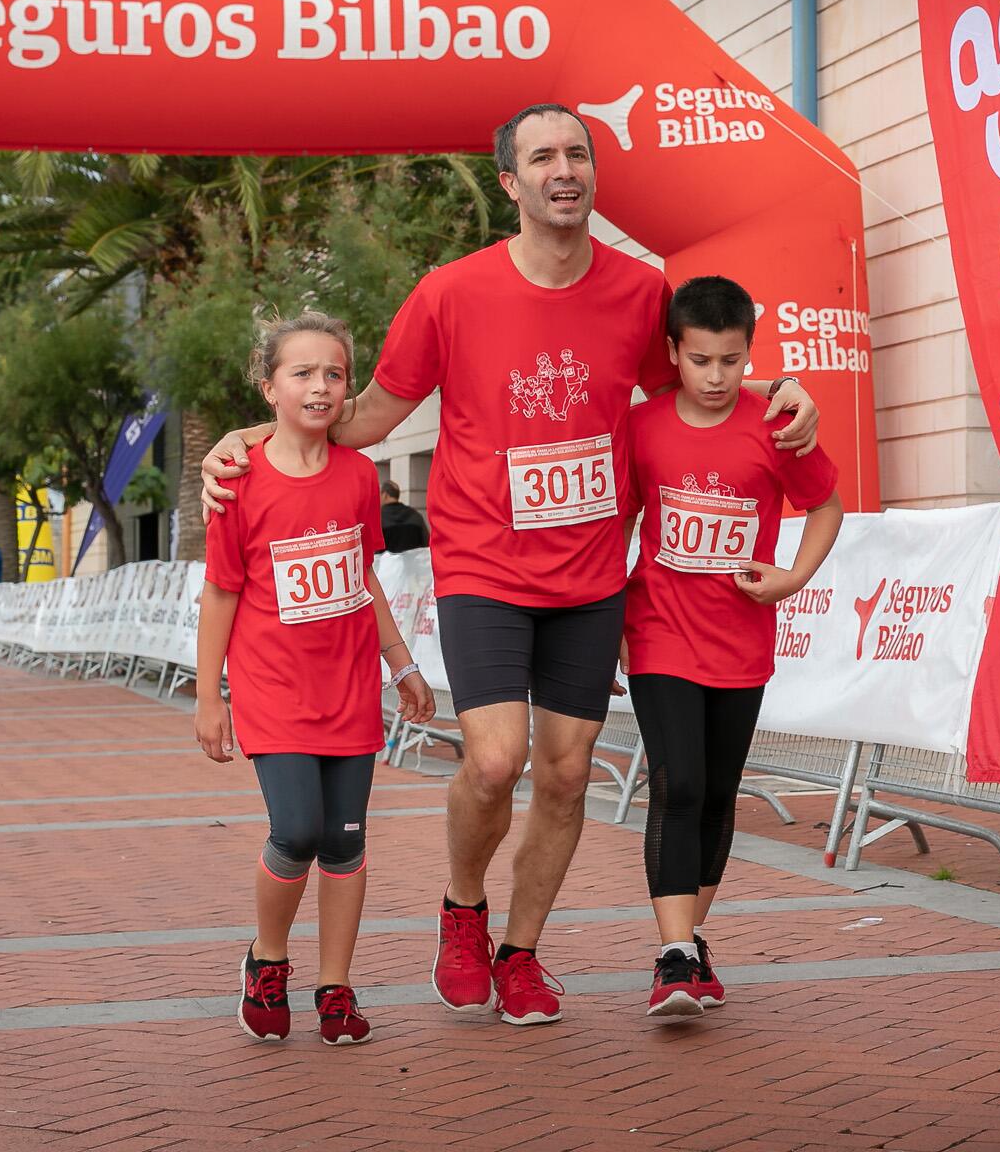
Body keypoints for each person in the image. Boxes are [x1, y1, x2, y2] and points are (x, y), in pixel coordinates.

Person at [203, 103, 820, 1026]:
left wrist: (784, 390)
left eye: (577, 154)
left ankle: (521, 953)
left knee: (568, 777)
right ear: (510, 182)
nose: (562, 169)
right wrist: (250, 436)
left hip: (590, 575)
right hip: (484, 565)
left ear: (591, 175)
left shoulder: (642, 292)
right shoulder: (452, 293)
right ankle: (462, 907)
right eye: (542, 157)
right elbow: (365, 415)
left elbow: (700, 387)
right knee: (495, 762)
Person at [195, 309, 436, 1047]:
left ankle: (336, 987)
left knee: (346, 838)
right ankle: (267, 961)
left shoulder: (361, 476)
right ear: (269, 388)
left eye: (334, 374)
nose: (321, 386)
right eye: (302, 373)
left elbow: (359, 577)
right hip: (272, 690)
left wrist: (403, 664)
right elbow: (222, 593)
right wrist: (210, 698)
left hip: (350, 690)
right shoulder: (237, 481)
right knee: (296, 830)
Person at [619, 276, 842, 1018]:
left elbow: (826, 506)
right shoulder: (642, 427)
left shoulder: (777, 424)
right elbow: (613, 524)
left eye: (733, 361)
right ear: (674, 352)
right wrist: (609, 625)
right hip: (658, 636)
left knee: (716, 795)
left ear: (751, 353)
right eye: (702, 360)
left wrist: (793, 578)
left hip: (742, 641)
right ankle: (674, 956)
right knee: (677, 784)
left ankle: (693, 936)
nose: (717, 378)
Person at [379, 480, 429, 553]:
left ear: (385, 495)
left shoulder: (378, 519)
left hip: (386, 564)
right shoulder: (415, 515)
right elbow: (426, 544)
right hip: (412, 563)